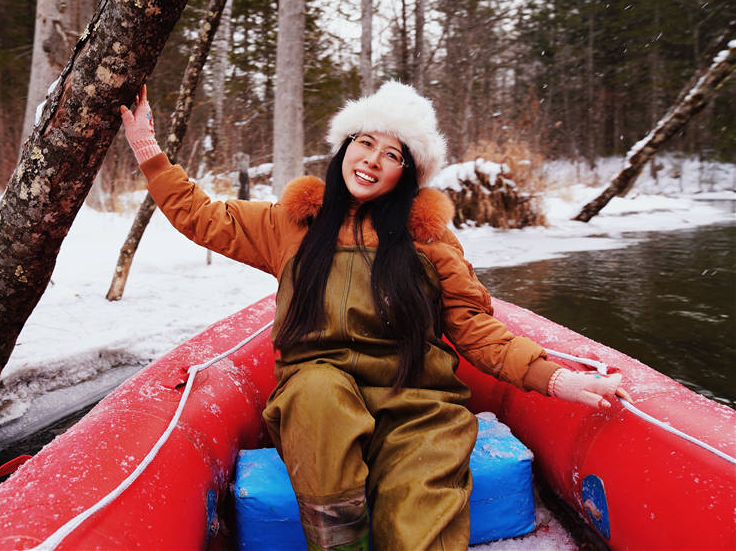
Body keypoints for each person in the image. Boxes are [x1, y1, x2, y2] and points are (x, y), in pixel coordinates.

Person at [120, 81, 630, 551]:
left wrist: (555, 377)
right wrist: (148, 149)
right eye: (364, 143)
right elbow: (203, 216)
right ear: (345, 147)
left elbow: (476, 328)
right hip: (316, 396)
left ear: (406, 173)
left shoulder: (429, 241)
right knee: (318, 393)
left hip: (416, 403)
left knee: (419, 522)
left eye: (392, 155)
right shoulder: (293, 223)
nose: (371, 160)